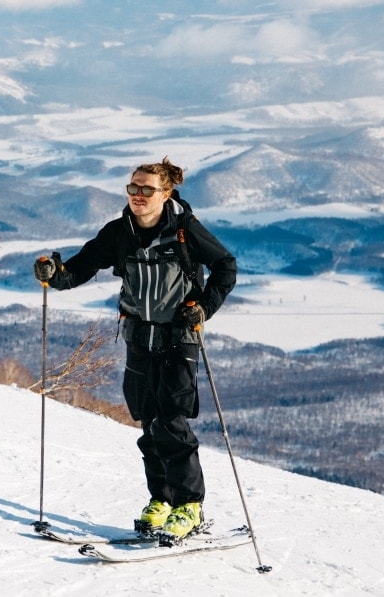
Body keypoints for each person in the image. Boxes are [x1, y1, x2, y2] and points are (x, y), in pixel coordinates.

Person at [33, 157, 236, 544]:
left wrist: (203, 308)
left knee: (173, 420)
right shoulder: (119, 232)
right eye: (133, 188)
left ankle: (189, 505)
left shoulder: (184, 231)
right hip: (138, 338)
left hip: (179, 338)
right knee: (148, 421)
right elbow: (79, 268)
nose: (138, 195)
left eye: (147, 190)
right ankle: (160, 499)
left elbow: (226, 266)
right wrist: (54, 275)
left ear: (166, 193)